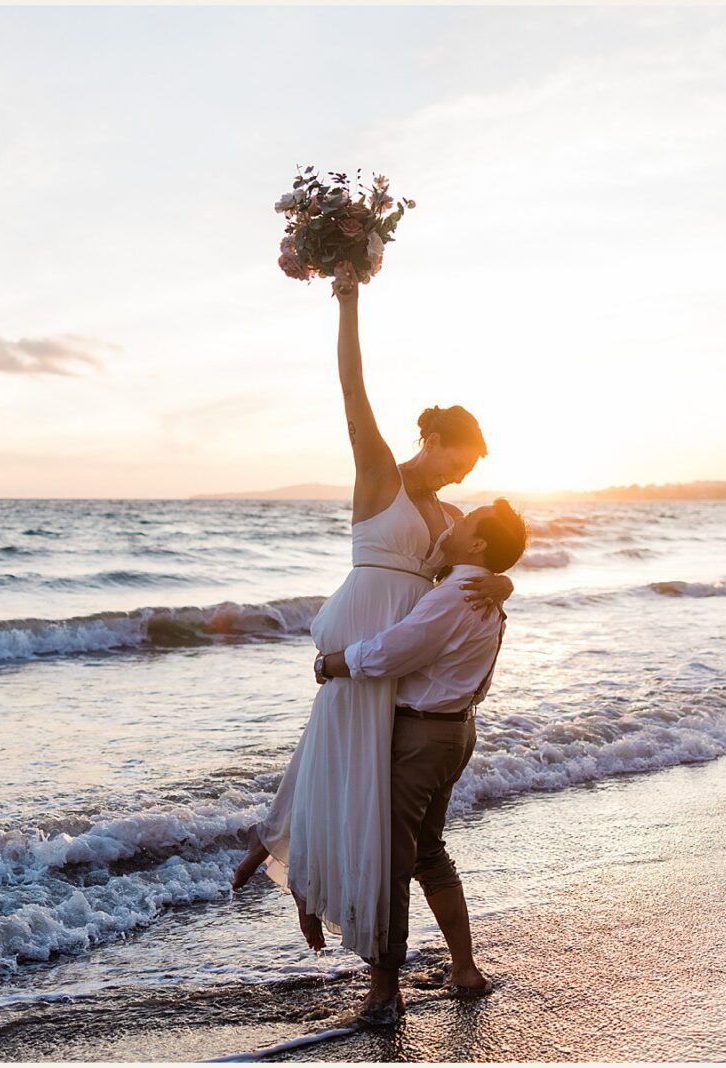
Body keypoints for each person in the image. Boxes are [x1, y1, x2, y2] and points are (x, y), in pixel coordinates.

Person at [228, 273, 513, 968]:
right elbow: (352, 389)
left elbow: (470, 578)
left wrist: (501, 579)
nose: (458, 478)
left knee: (357, 791)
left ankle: (302, 873)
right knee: (333, 763)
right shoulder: (379, 474)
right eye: (459, 459)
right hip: (364, 639)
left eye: (471, 469)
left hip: (399, 659)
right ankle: (297, 871)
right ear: (433, 436)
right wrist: (349, 300)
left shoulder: (452, 519)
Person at [316, 497, 528, 1023]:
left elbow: (393, 650)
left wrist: (333, 663)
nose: (452, 524)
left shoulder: (458, 595)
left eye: (466, 523)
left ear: (478, 543)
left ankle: (384, 994)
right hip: (456, 730)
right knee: (429, 850)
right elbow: (420, 564)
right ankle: (464, 968)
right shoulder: (481, 592)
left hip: (421, 736)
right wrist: (507, 580)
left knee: (391, 860)